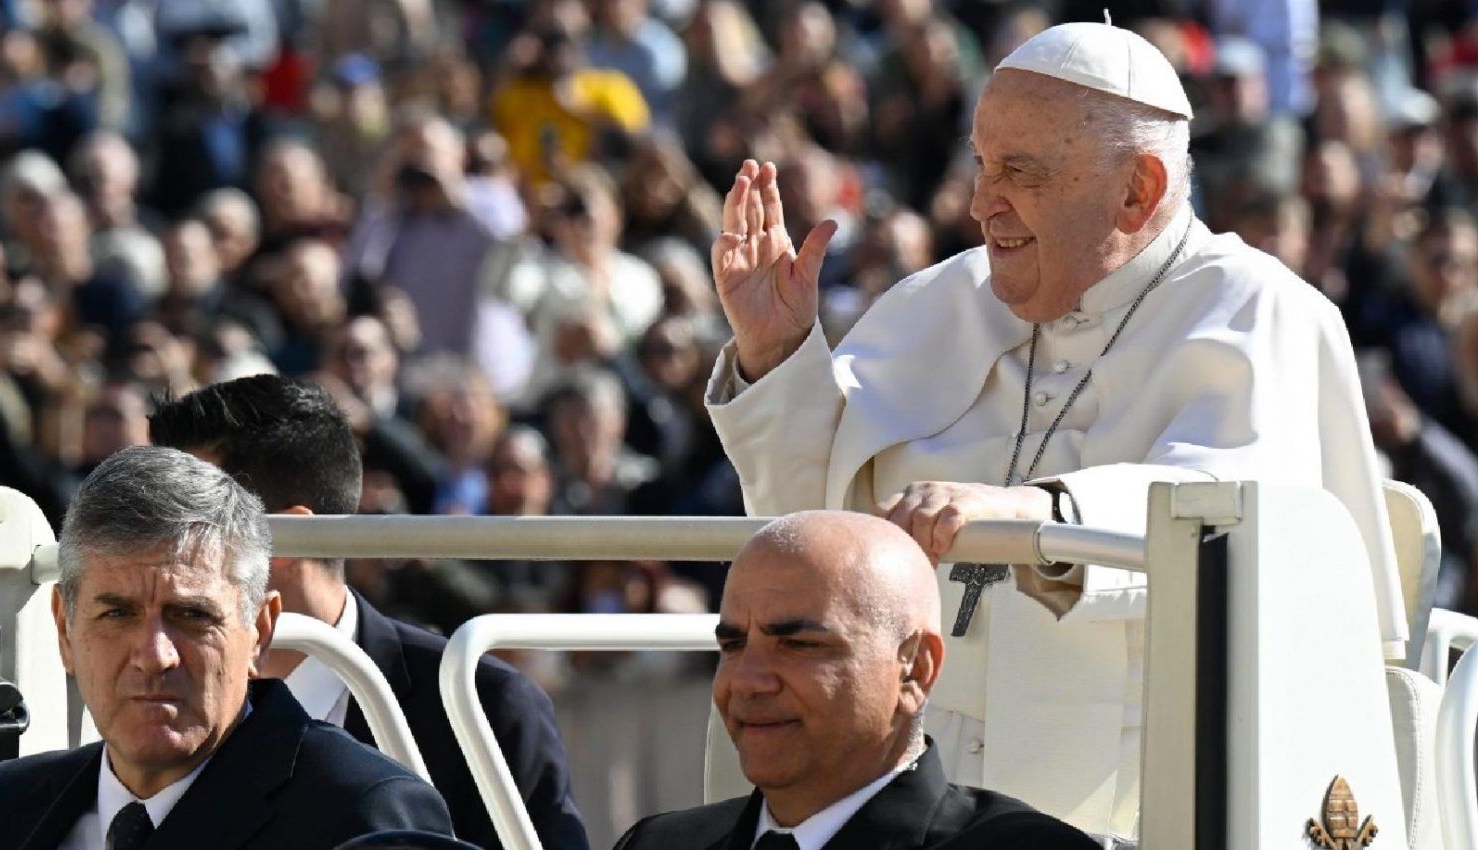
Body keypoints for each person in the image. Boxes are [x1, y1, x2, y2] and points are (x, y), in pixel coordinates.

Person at [702, 21, 1407, 839]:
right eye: (980, 164)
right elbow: (812, 532)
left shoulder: (1257, 309)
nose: (979, 202)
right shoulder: (942, 301)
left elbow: (1223, 516)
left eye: (1019, 170)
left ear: (1138, 190)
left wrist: (1039, 515)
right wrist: (778, 356)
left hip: (1141, 804)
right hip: (900, 803)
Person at [148, 374, 589, 850]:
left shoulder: (485, 709)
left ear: (282, 540)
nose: (153, 551)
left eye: (186, 523)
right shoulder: (147, 700)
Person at [0, 446, 452, 849]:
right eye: (117, 614)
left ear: (259, 631)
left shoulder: (364, 817)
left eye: (191, 615)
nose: (154, 655)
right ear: (65, 629)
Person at [614, 511, 1098, 850]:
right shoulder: (658, 843)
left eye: (799, 644)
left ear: (915, 669)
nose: (748, 681)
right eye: (734, 645)